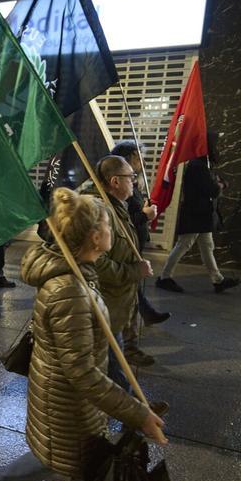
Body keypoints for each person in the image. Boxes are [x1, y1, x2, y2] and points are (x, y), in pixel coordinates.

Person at [0, 187, 166, 481]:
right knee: (86, 475)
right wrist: (137, 413)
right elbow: (82, 372)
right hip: (70, 402)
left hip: (62, 400)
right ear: (93, 237)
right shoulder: (70, 290)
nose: (113, 228)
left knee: (53, 458)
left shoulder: (74, 270)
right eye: (107, 223)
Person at [80, 156, 156, 369]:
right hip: (105, 307)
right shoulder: (101, 212)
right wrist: (134, 271)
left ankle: (129, 399)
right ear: (114, 181)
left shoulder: (116, 207)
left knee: (114, 366)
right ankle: (130, 401)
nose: (134, 180)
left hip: (115, 306)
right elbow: (96, 263)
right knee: (111, 369)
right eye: (130, 176)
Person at [155, 133, 241, 294]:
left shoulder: (201, 164)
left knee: (207, 246)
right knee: (184, 245)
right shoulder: (198, 165)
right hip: (196, 214)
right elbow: (212, 189)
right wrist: (219, 185)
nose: (219, 147)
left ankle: (218, 280)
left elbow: (214, 185)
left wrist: (218, 184)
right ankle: (164, 278)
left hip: (201, 215)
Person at [111, 141, 169, 326]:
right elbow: (121, 220)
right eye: (138, 158)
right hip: (127, 242)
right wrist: (145, 215)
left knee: (131, 280)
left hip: (136, 239)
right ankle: (138, 316)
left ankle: (144, 314)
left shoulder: (133, 185)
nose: (142, 162)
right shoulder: (120, 189)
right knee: (129, 279)